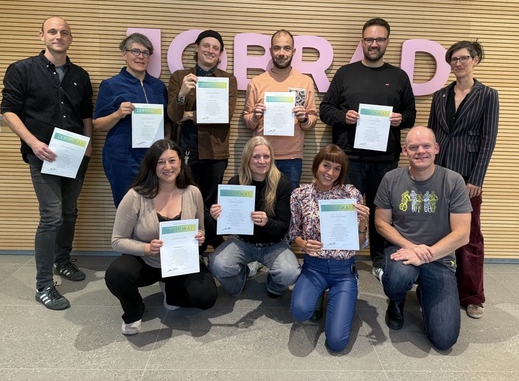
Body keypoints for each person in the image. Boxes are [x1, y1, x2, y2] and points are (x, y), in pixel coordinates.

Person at [0, 16, 92, 310]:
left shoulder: (80, 75)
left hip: (75, 155)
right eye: (52, 31)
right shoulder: (22, 70)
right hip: (43, 156)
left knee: (69, 211)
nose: (58, 36)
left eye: (64, 32)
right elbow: (9, 112)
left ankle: (62, 262)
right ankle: (43, 285)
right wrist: (33, 143)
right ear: (41, 36)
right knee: (51, 216)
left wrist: (88, 146)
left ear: (71, 39)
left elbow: (86, 114)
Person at [319, 17, 416, 281]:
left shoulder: (399, 76)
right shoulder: (345, 73)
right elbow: (324, 110)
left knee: (381, 212)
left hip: (384, 160)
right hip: (348, 158)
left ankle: (378, 259)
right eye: (369, 39)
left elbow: (411, 114)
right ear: (362, 41)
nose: (374, 44)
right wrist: (343, 117)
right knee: (345, 209)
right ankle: (341, 256)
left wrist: (400, 119)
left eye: (379, 39)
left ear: (387, 42)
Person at [104, 139, 218, 335]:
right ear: (152, 165)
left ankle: (172, 293)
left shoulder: (193, 193)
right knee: (116, 275)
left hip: (180, 263)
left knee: (207, 297)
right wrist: (146, 248)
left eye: (172, 161)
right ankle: (134, 311)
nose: (168, 167)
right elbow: (117, 240)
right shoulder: (135, 196)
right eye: (161, 162)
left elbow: (201, 229)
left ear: (181, 162)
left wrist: (200, 237)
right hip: (146, 262)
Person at [374, 126, 472, 350]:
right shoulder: (391, 179)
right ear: (405, 151)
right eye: (413, 147)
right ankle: (396, 299)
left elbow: (462, 234)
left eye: (426, 145)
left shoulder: (454, 181)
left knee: (444, 340)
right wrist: (412, 247)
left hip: (439, 257)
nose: (420, 151)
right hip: (402, 250)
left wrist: (426, 256)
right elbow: (381, 222)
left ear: (436, 148)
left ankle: (423, 289)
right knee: (397, 278)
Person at [427, 40, 499, 319]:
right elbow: (432, 137)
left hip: (468, 176)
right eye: (454, 59)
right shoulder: (440, 95)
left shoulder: (488, 95)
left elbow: (488, 138)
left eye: (464, 58)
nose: (458, 63)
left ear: (475, 60)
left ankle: (472, 296)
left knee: (469, 237)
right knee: (436, 230)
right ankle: (435, 287)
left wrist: (477, 177)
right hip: (440, 173)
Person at [289, 144, 370, 353]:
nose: (330, 173)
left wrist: (362, 224)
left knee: (336, 342)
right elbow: (293, 233)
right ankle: (316, 297)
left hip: (343, 270)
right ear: (317, 165)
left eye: (336, 169)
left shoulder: (351, 194)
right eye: (326, 165)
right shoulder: (300, 194)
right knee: (299, 312)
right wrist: (303, 244)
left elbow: (359, 243)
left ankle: (341, 297)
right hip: (313, 267)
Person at [167, 29, 238, 254]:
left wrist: (189, 115)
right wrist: (182, 94)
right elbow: (172, 115)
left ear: (220, 54)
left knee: (211, 202)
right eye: (206, 46)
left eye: (216, 48)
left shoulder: (228, 79)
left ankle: (211, 245)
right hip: (187, 149)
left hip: (216, 151)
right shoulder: (180, 77)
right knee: (189, 202)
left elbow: (225, 115)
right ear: (196, 48)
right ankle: (206, 248)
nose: (210, 50)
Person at [208, 136, 300, 298]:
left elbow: (284, 228)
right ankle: (241, 278)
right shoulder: (235, 183)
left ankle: (274, 285)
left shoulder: (283, 184)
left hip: (274, 244)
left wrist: (267, 222)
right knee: (217, 265)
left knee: (290, 273)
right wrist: (218, 217)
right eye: (256, 156)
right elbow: (225, 227)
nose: (261, 161)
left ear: (272, 158)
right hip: (243, 242)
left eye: (266, 156)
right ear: (247, 159)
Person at [93, 33, 170, 207]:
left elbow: (166, 121)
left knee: (154, 208)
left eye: (145, 53)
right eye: (135, 51)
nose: (140, 56)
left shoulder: (158, 86)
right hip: (122, 158)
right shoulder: (111, 85)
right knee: (127, 208)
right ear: (124, 54)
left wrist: (166, 142)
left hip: (153, 158)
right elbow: (97, 124)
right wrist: (118, 114)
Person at [242, 29, 317, 186]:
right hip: (261, 157)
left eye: (287, 48)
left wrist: (304, 118)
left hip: (292, 158)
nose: (281, 53)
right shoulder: (257, 82)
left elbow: (312, 121)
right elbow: (247, 121)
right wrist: (255, 116)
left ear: (293, 51)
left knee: (288, 206)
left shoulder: (305, 82)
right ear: (270, 51)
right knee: (260, 205)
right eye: (277, 48)